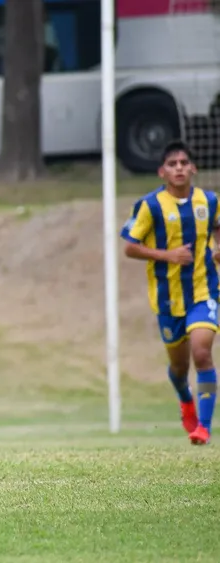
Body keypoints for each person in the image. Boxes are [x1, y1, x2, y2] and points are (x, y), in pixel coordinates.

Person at [121, 140, 217, 445]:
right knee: (179, 367)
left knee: (202, 353)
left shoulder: (210, 201)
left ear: (193, 168)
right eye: (172, 164)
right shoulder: (149, 206)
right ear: (162, 171)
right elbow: (130, 247)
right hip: (168, 299)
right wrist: (168, 255)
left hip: (205, 291)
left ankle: (203, 426)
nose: (179, 168)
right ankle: (184, 398)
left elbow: (217, 230)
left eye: (184, 163)